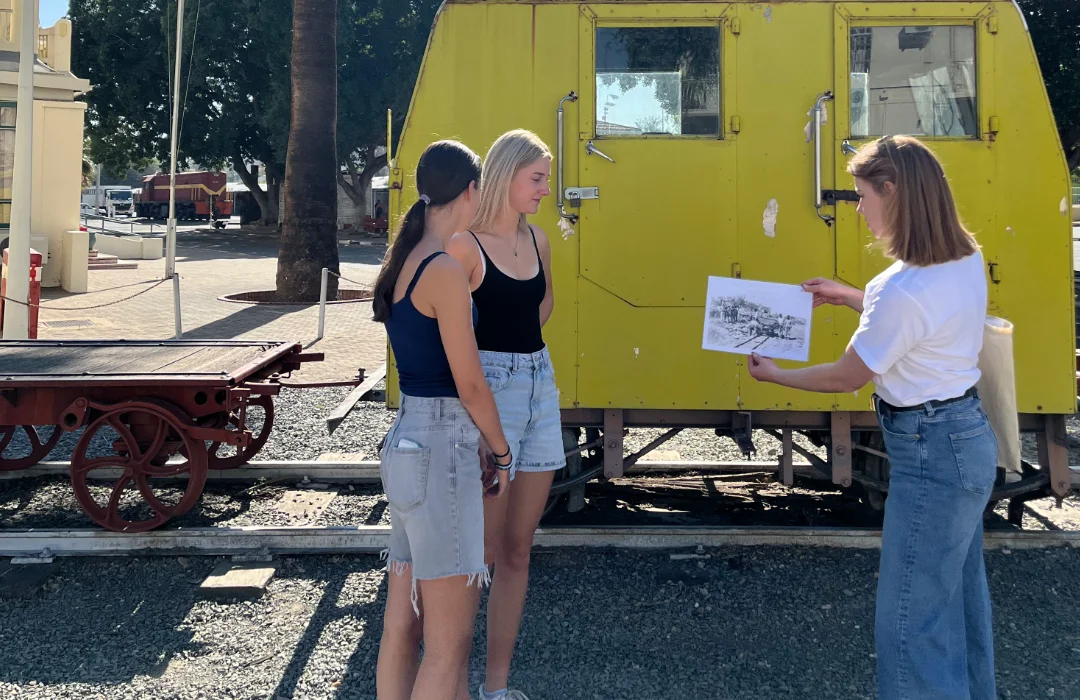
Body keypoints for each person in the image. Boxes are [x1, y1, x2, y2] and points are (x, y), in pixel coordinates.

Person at [747, 135, 997, 700]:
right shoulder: (964, 257)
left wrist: (776, 374)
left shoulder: (901, 289)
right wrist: (851, 296)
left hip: (930, 453)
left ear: (894, 192)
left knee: (911, 621)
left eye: (862, 197)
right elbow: (920, 319)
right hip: (965, 441)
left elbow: (846, 375)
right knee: (954, 605)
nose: (858, 210)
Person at [373, 139, 514, 700]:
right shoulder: (444, 271)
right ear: (473, 191)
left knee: (401, 625)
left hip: (407, 442)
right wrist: (501, 450)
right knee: (448, 645)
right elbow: (471, 382)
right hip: (442, 450)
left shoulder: (404, 261)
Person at [446, 129, 564, 700]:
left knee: (519, 546)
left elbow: (543, 305)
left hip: (541, 384)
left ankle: (497, 688)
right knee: (483, 552)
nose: (546, 189)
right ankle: (456, 684)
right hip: (491, 395)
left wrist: (523, 366)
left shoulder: (539, 239)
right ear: (505, 175)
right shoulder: (464, 246)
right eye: (537, 178)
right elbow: (450, 333)